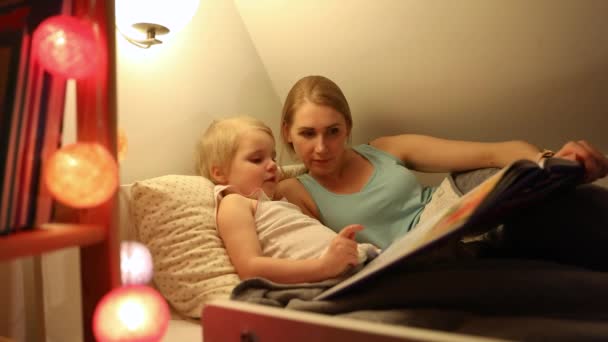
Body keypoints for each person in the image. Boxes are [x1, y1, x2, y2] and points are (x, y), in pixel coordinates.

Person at [276, 75, 608, 265]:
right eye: (307, 133)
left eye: (333, 131)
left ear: (347, 127)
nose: (322, 147)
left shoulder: (384, 149)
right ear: (287, 132)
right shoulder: (294, 191)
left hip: (464, 206)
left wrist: (549, 162)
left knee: (562, 199)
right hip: (426, 253)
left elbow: (493, 153)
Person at [194, 116, 379, 284]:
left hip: (354, 264)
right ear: (219, 173)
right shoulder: (234, 203)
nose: (273, 165)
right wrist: (324, 266)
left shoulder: (276, 202)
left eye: (273, 157)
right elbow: (250, 268)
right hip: (330, 278)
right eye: (257, 159)